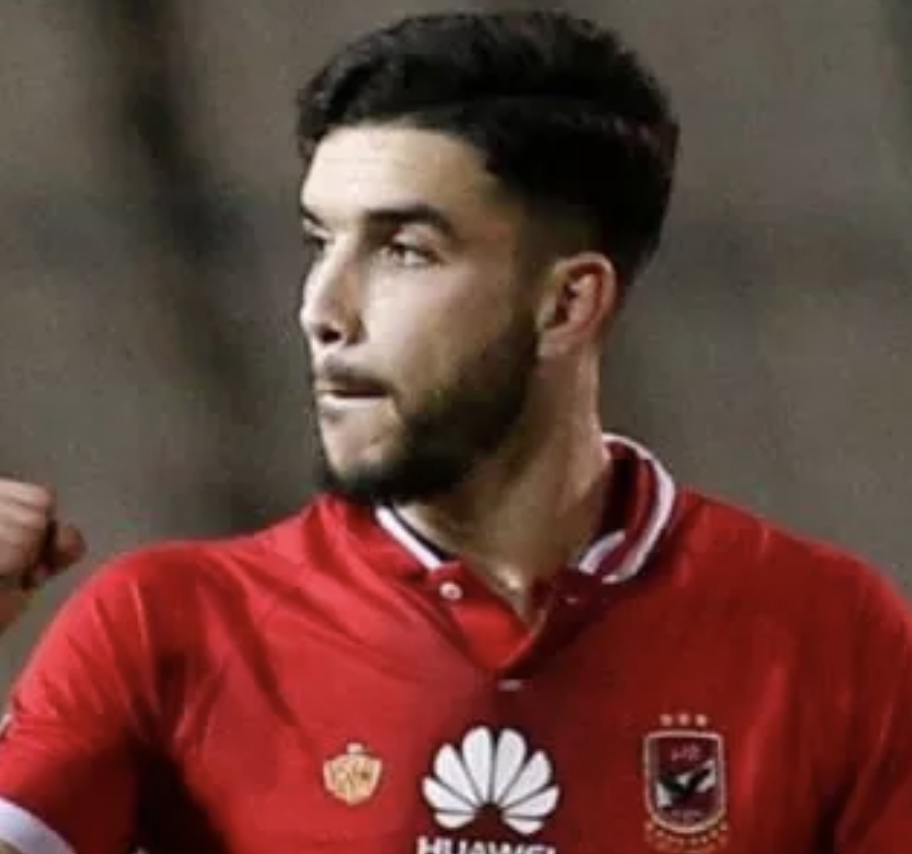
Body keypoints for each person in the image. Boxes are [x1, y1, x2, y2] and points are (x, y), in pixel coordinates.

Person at [0, 8, 910, 854]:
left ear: (568, 304)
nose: (321, 308)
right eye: (320, 241)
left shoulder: (834, 636)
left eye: (403, 250)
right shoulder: (167, 627)